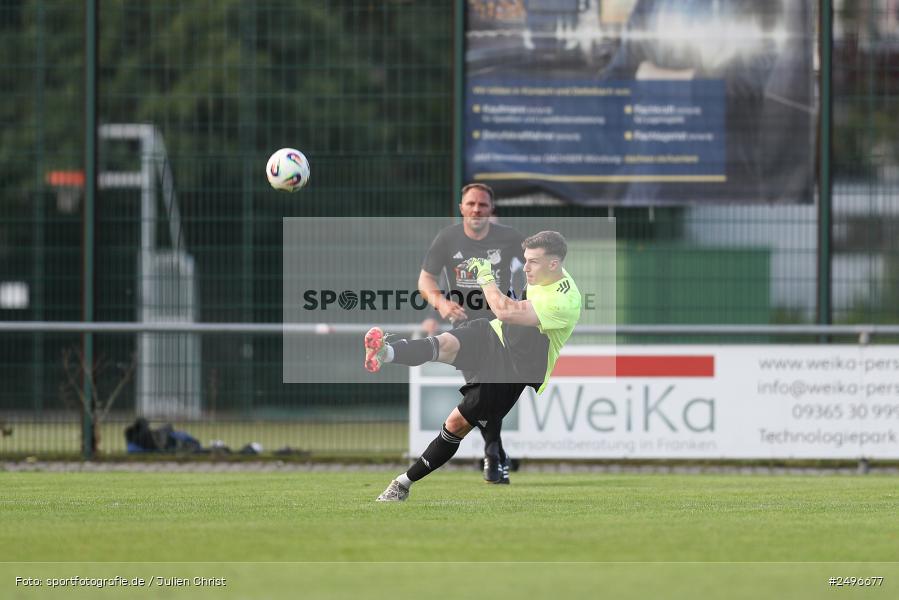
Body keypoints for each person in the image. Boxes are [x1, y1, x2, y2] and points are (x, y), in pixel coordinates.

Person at [365, 231, 581, 502]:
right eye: (525, 260)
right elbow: (506, 316)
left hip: (512, 372)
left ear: (554, 264)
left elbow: (506, 311)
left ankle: (402, 484)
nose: (525, 267)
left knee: (455, 424)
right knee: (445, 343)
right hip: (495, 334)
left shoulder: (564, 301)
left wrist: (486, 277)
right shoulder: (544, 273)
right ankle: (387, 352)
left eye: (533, 262)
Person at [418, 183, 525, 484]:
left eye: (482, 205)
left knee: (487, 393)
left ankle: (493, 454)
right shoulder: (447, 238)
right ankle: (495, 453)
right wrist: (440, 303)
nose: (477, 209)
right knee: (481, 393)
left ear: (491, 210)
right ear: (461, 207)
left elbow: (534, 268)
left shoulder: (510, 238)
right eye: (471, 204)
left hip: (502, 326)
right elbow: (425, 281)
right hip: (464, 328)